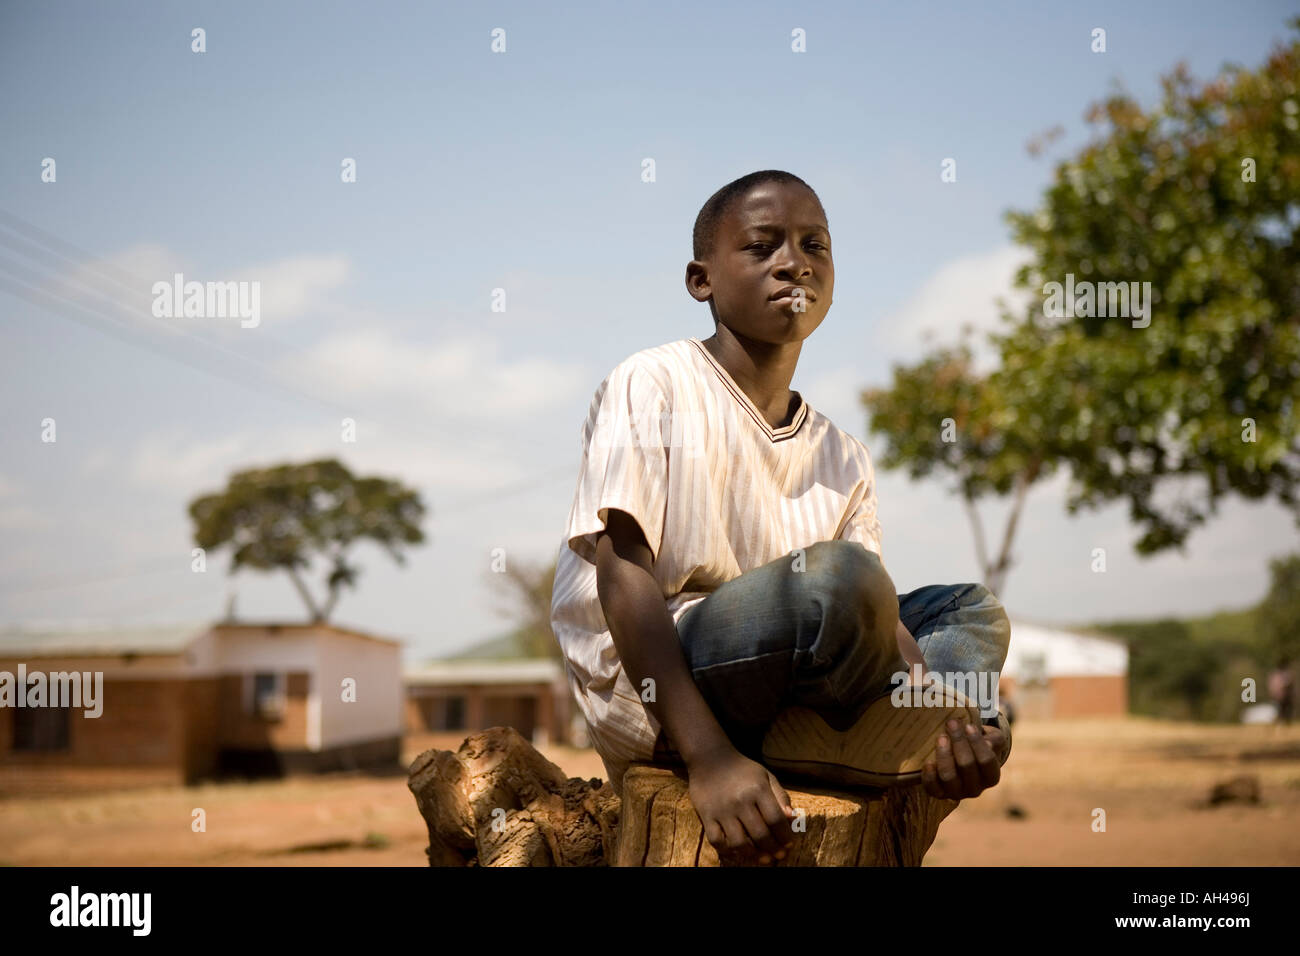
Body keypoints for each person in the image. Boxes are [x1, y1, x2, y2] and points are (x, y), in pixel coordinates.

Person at [550, 170, 1012, 863]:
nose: (793, 263)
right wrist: (707, 760)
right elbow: (623, 577)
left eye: (813, 246)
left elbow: (879, 617)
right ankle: (830, 739)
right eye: (762, 246)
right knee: (837, 580)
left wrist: (955, 712)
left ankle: (918, 740)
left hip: (797, 669)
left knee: (970, 612)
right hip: (662, 681)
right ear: (701, 280)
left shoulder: (843, 453)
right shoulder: (654, 382)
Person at [1269, 657, 1295, 726]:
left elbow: (1271, 686)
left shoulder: (1274, 674)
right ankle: (1281, 724)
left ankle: (1280, 724)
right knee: (1282, 711)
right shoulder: (1284, 674)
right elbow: (1288, 684)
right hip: (1282, 696)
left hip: (1279, 696)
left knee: (1281, 711)